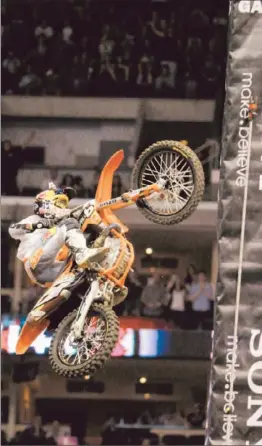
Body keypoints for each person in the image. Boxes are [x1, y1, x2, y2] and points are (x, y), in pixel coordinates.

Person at [8, 183, 109, 286]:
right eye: (59, 204)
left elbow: (79, 213)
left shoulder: (59, 223)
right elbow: (12, 230)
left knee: (81, 265)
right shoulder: (34, 220)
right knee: (68, 224)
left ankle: (97, 284)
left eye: (63, 205)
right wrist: (36, 225)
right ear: (45, 204)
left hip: (52, 271)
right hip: (35, 262)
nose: (62, 208)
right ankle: (82, 253)